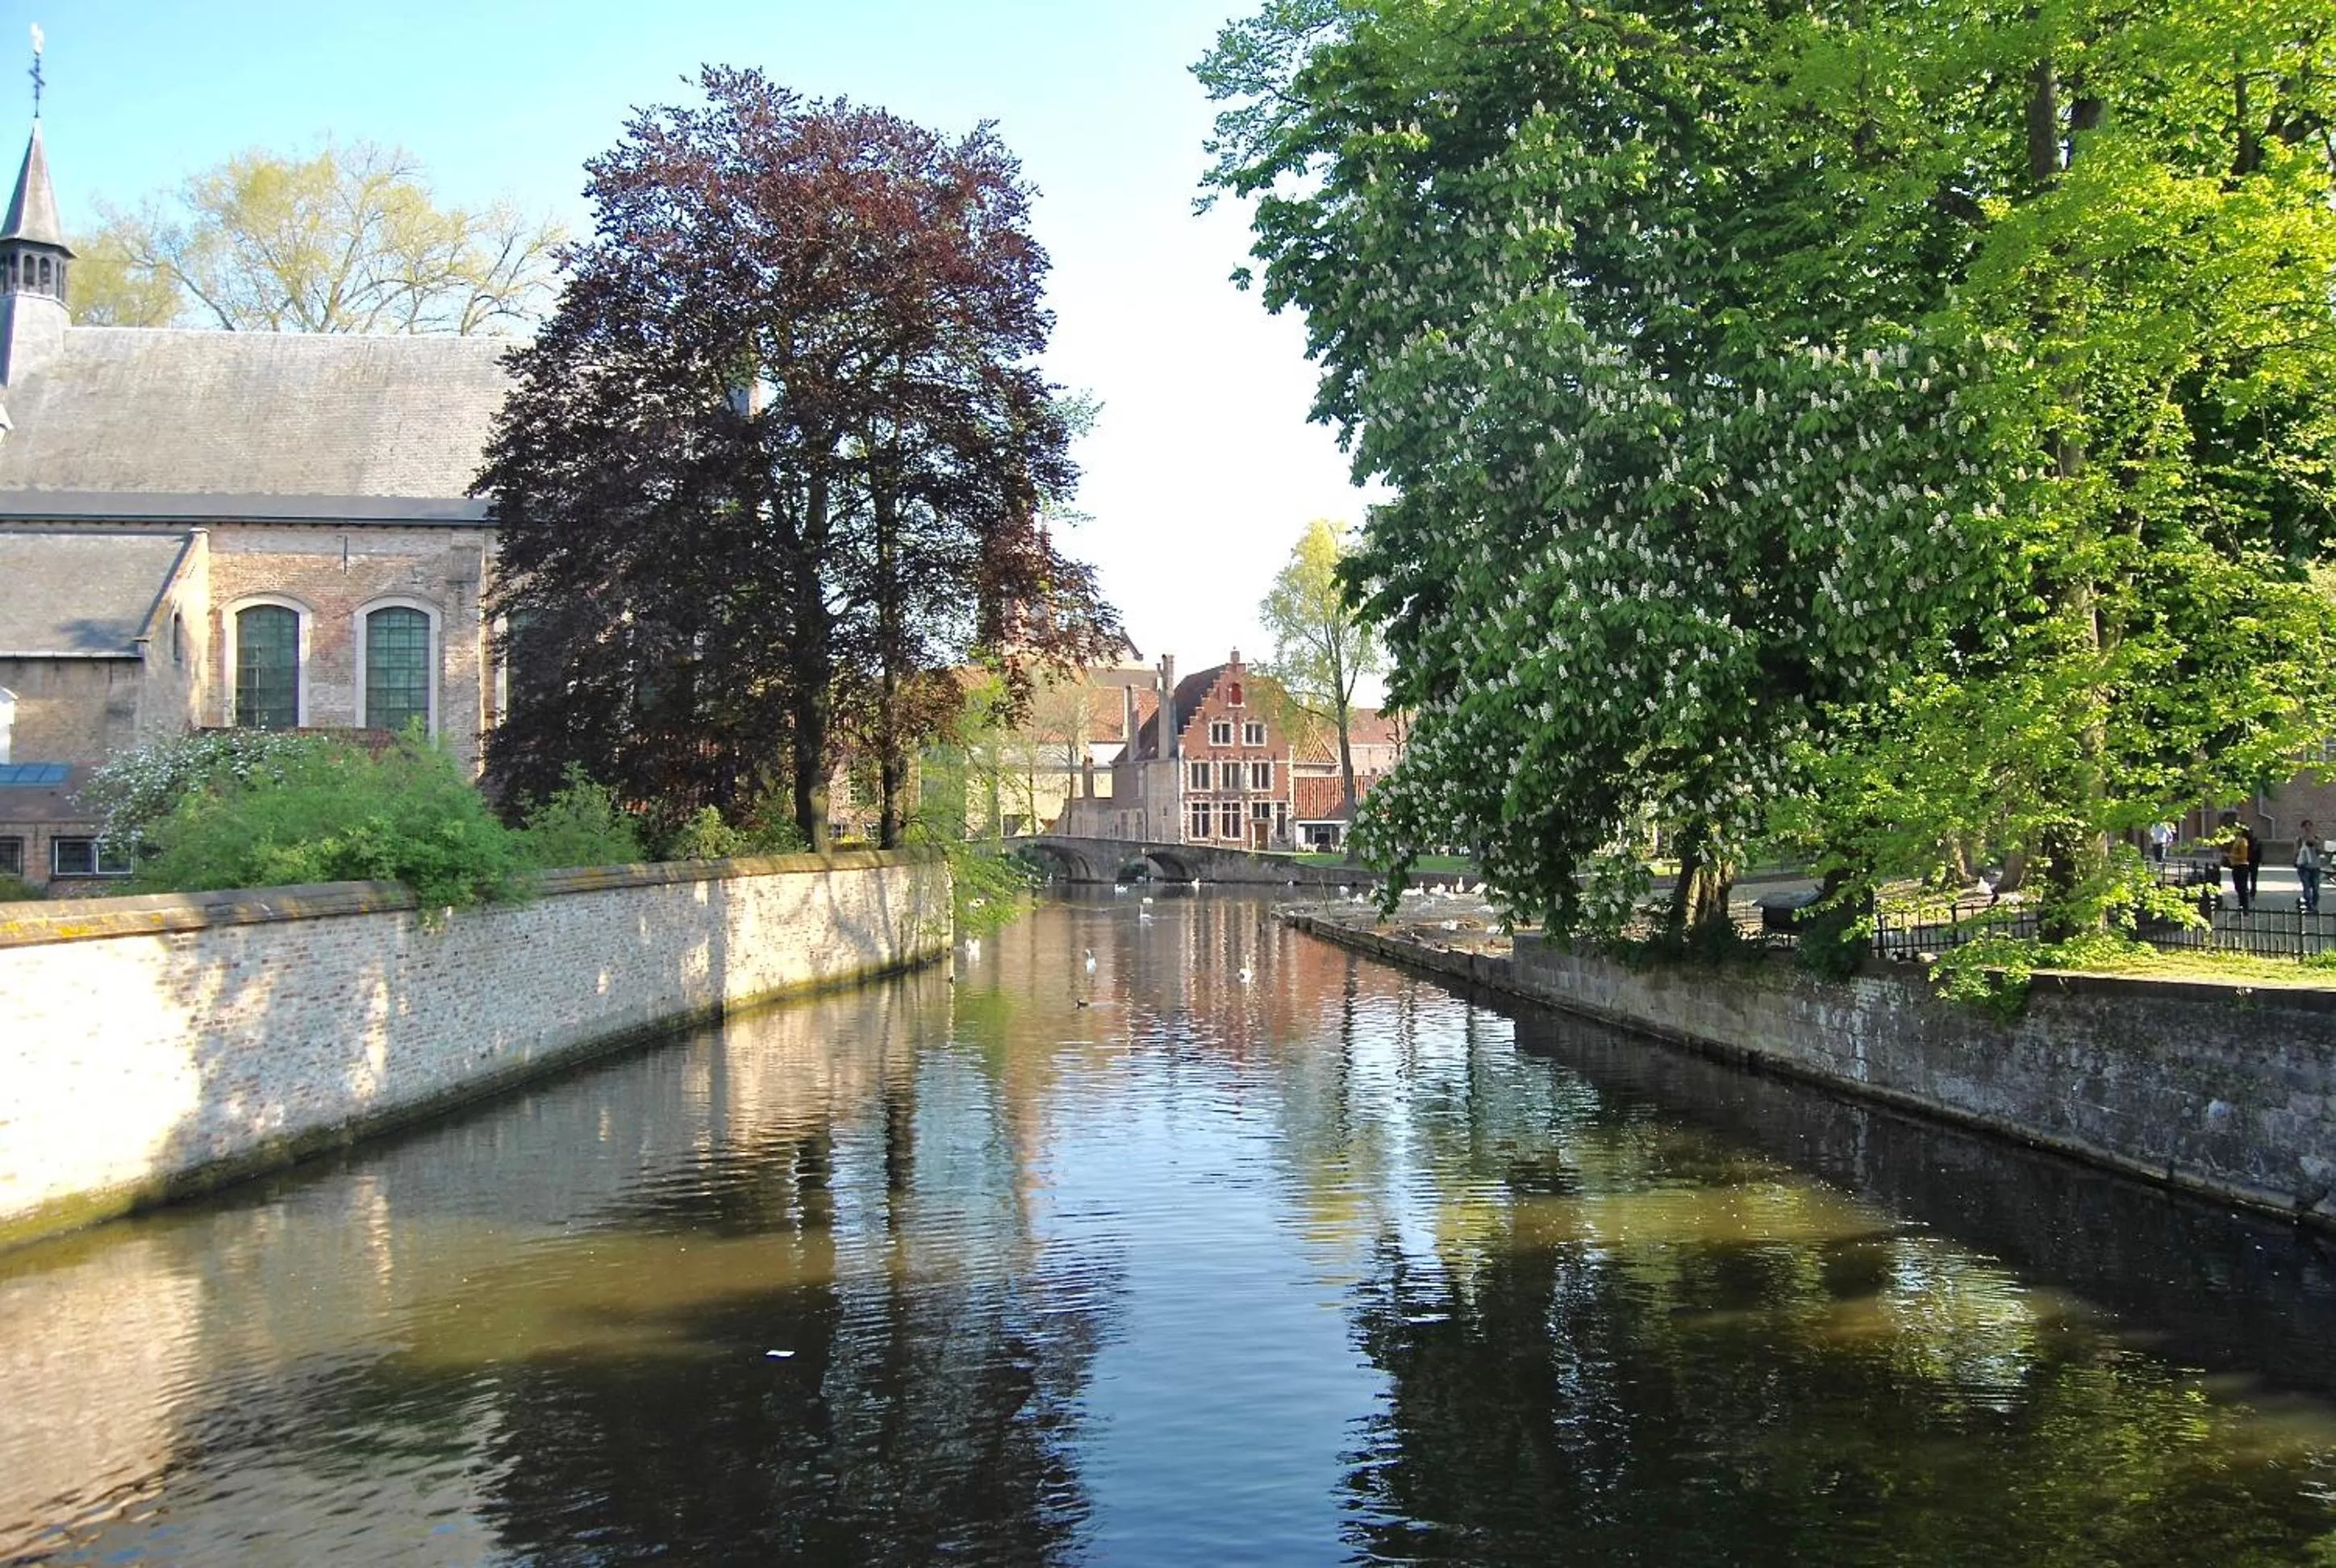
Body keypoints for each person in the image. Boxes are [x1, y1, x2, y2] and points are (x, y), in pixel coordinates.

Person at [2225, 817, 2255, 913]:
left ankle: (2245, 907)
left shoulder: (2243, 841)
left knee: (2242, 887)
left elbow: (2244, 856)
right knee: (2238, 887)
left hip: (2242, 866)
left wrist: (2231, 855)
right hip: (2236, 866)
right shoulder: (2237, 839)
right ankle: (2241, 905)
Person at [2298, 820, 2322, 917]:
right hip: (2304, 867)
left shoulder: (2317, 838)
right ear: (2302, 829)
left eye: (2309, 827)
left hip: (2315, 867)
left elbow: (2320, 851)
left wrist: (2315, 844)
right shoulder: (2300, 839)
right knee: (2306, 887)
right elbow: (2296, 851)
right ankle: (2309, 906)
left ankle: (2314, 906)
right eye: (2305, 828)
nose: (2307, 829)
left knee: (2316, 888)